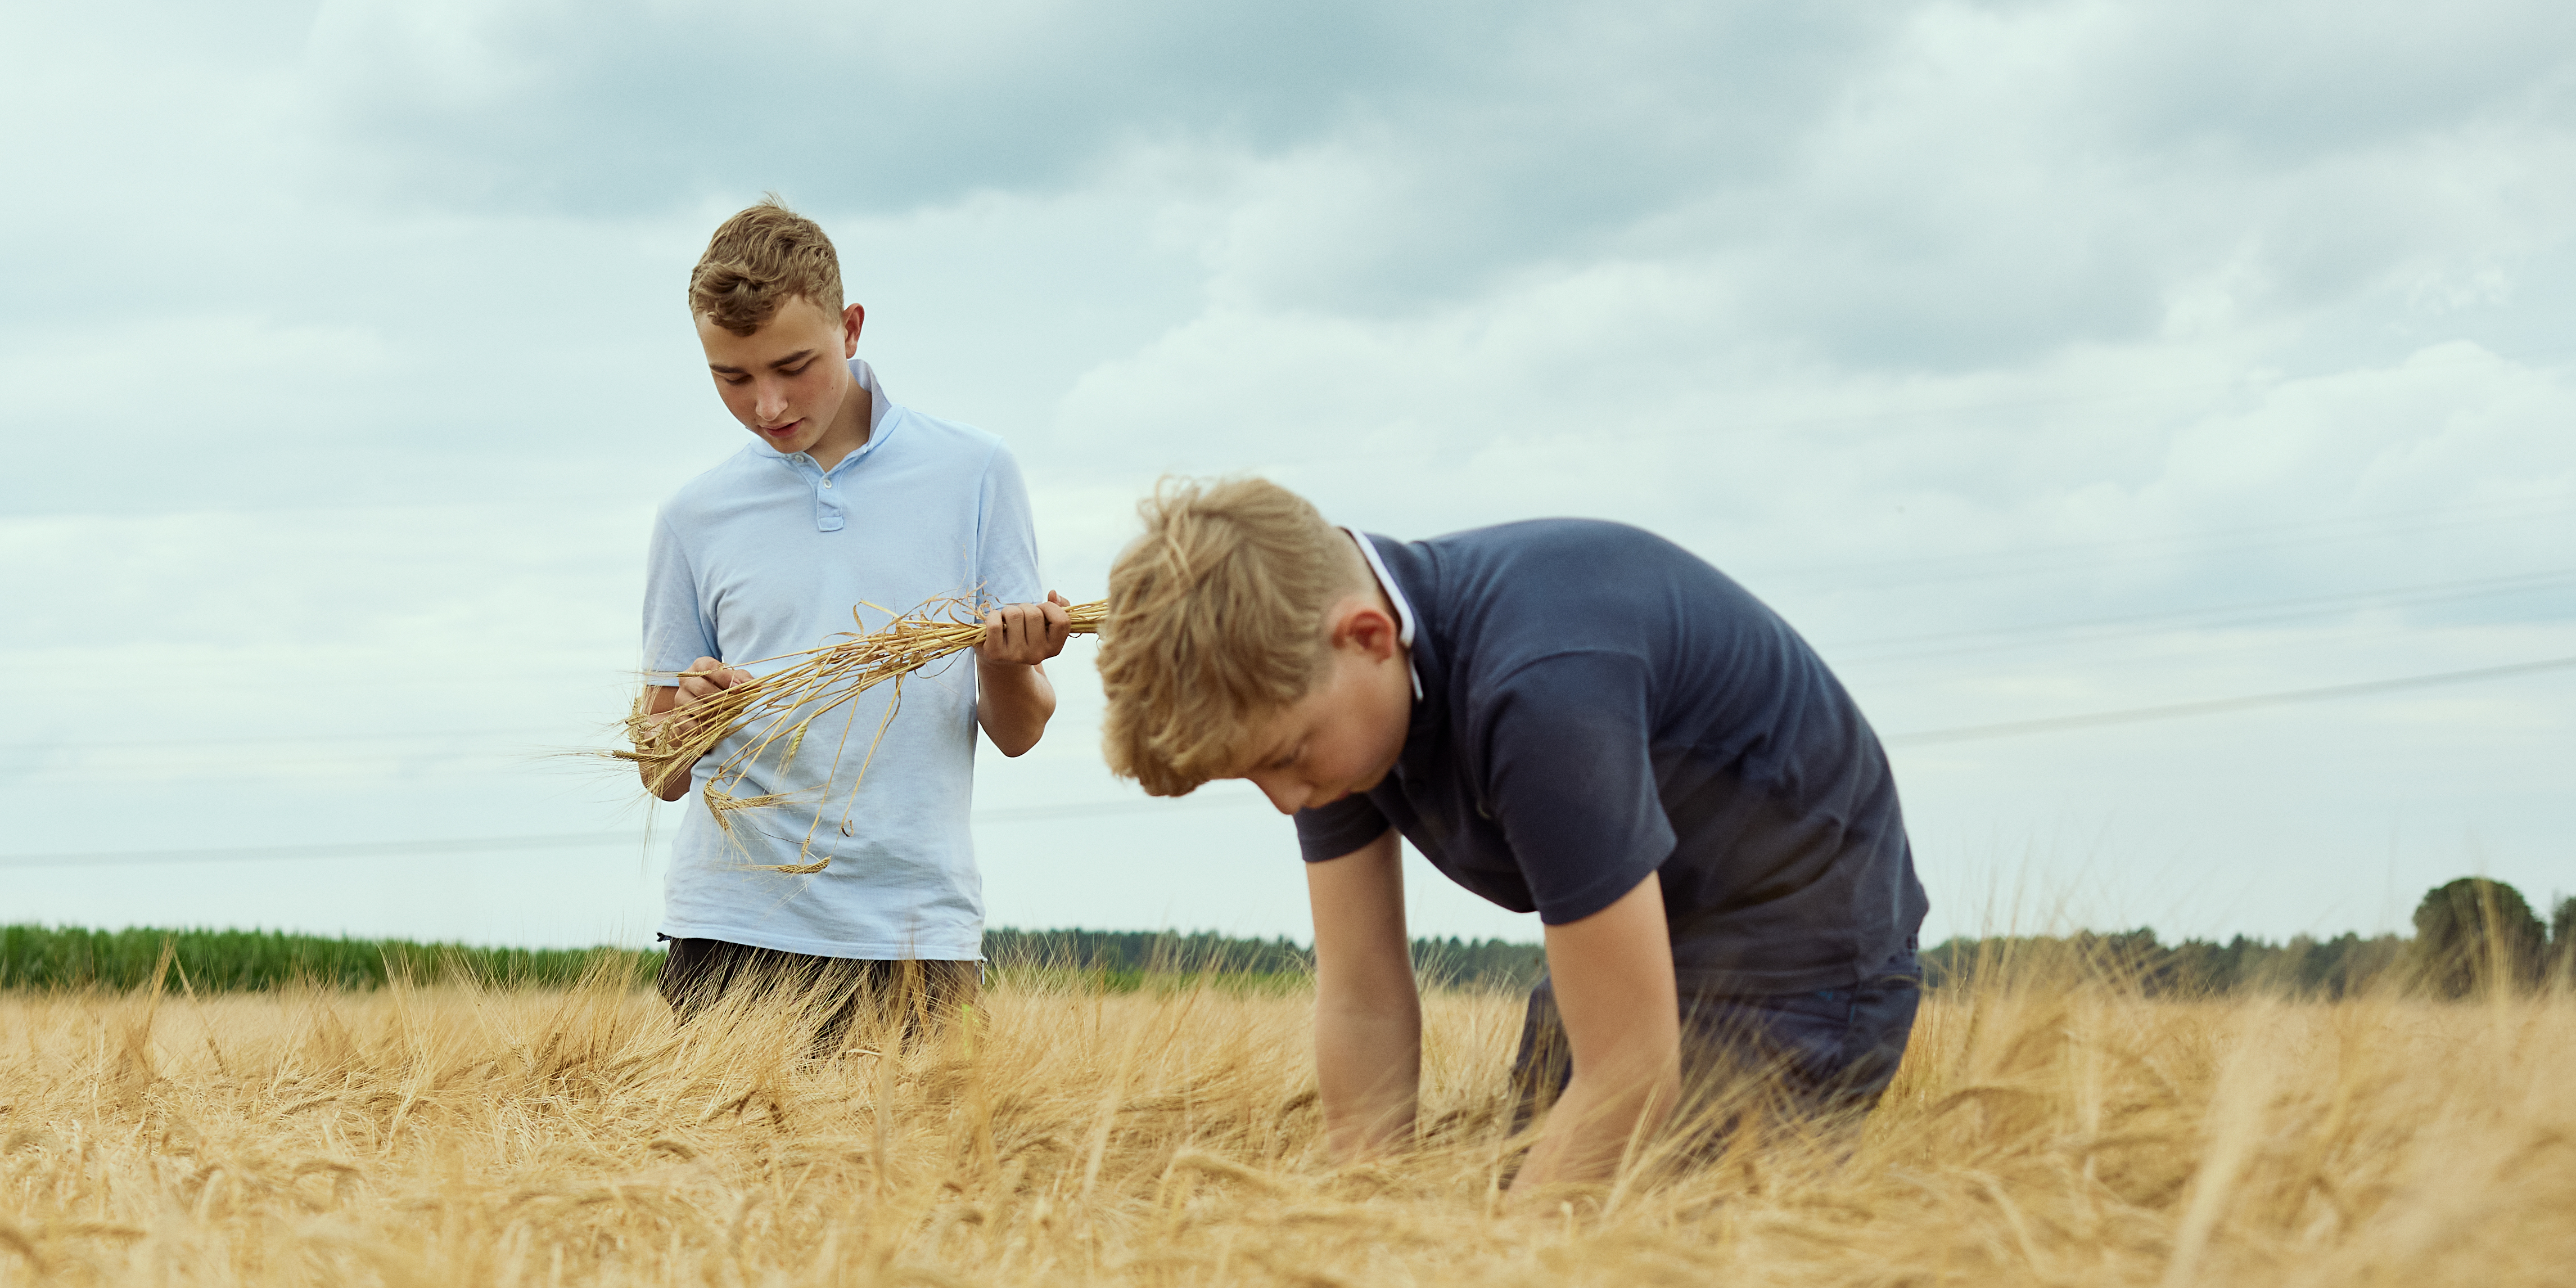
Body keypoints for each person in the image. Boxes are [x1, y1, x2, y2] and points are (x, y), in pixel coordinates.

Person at [1094, 479, 1928, 1198]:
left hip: (1805, 954)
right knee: (1550, 1211)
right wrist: (1359, 1224)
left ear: (1368, 637)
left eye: (1283, 759)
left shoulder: (1541, 694)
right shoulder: (1330, 712)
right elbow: (1362, 997)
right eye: (1254, 776)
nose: (1286, 800)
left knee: (1660, 1260)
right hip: (1639, 944)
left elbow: (1632, 1067)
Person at [636, 199, 1071, 1041]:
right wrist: (689, 719)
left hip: (912, 929)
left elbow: (1019, 733)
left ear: (854, 328)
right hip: (730, 929)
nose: (767, 405)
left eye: (794, 366)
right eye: (733, 378)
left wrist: (1004, 661)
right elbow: (661, 771)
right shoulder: (694, 515)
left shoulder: (975, 472)